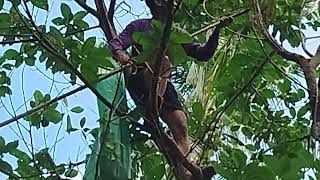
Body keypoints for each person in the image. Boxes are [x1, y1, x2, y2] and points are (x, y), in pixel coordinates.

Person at [109, 0, 232, 179]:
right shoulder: (141, 26)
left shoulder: (177, 33)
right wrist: (122, 55)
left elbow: (202, 53)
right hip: (141, 76)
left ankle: (186, 174)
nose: (175, 5)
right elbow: (116, 43)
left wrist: (217, 30)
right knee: (164, 61)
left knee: (181, 124)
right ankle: (154, 102)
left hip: (164, 82)